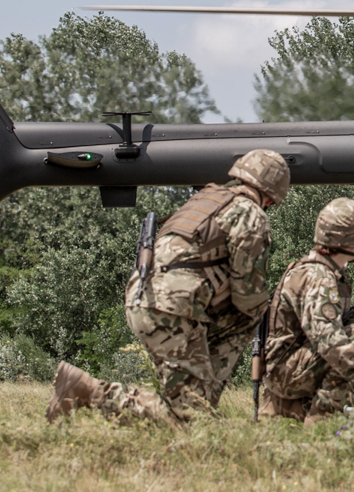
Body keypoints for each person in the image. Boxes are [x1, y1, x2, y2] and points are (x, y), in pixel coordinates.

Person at [46, 148, 291, 424]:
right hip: (173, 312)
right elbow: (247, 296)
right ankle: (86, 390)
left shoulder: (206, 201)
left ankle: (199, 392)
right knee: (192, 416)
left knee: (185, 410)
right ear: (270, 196)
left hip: (145, 298)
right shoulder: (250, 214)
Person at [258, 197, 354, 423]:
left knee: (352, 334)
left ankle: (322, 409)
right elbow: (329, 341)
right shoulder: (319, 277)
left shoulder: (326, 273)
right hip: (285, 373)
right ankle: (322, 420)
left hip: (286, 368)